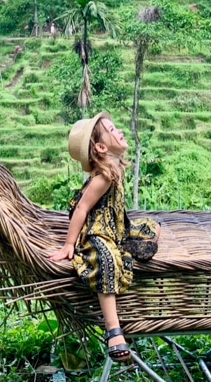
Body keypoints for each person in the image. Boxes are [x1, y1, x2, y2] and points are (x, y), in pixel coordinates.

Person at [50, 112, 160, 363]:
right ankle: (113, 330)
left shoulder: (114, 168)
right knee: (107, 259)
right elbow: (81, 209)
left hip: (115, 225)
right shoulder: (103, 176)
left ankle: (126, 245)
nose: (119, 130)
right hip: (97, 230)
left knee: (151, 229)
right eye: (112, 129)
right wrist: (69, 244)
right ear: (100, 147)